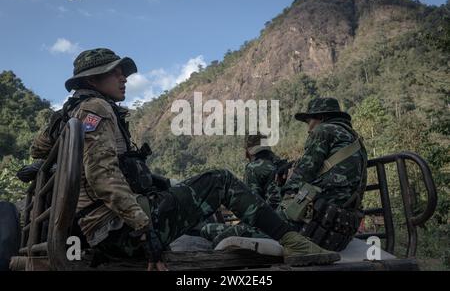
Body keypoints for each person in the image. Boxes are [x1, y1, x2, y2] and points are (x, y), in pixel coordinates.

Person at [31, 48, 339, 271]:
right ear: (94, 78)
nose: (123, 77)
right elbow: (102, 177)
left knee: (181, 195)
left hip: (100, 228)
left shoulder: (68, 115)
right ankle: (294, 241)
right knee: (220, 180)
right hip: (118, 232)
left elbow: (38, 149)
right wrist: (143, 228)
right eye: (115, 72)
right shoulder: (98, 109)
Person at [279, 97, 368, 251]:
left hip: (320, 214)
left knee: (259, 225)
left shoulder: (323, 130)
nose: (308, 129)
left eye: (309, 122)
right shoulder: (354, 138)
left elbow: (303, 173)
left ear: (321, 117)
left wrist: (284, 198)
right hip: (341, 222)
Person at [200, 133, 285, 245]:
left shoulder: (253, 168)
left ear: (249, 152)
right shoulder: (281, 166)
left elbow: (251, 207)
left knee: (207, 230)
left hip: (266, 229)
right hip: (284, 225)